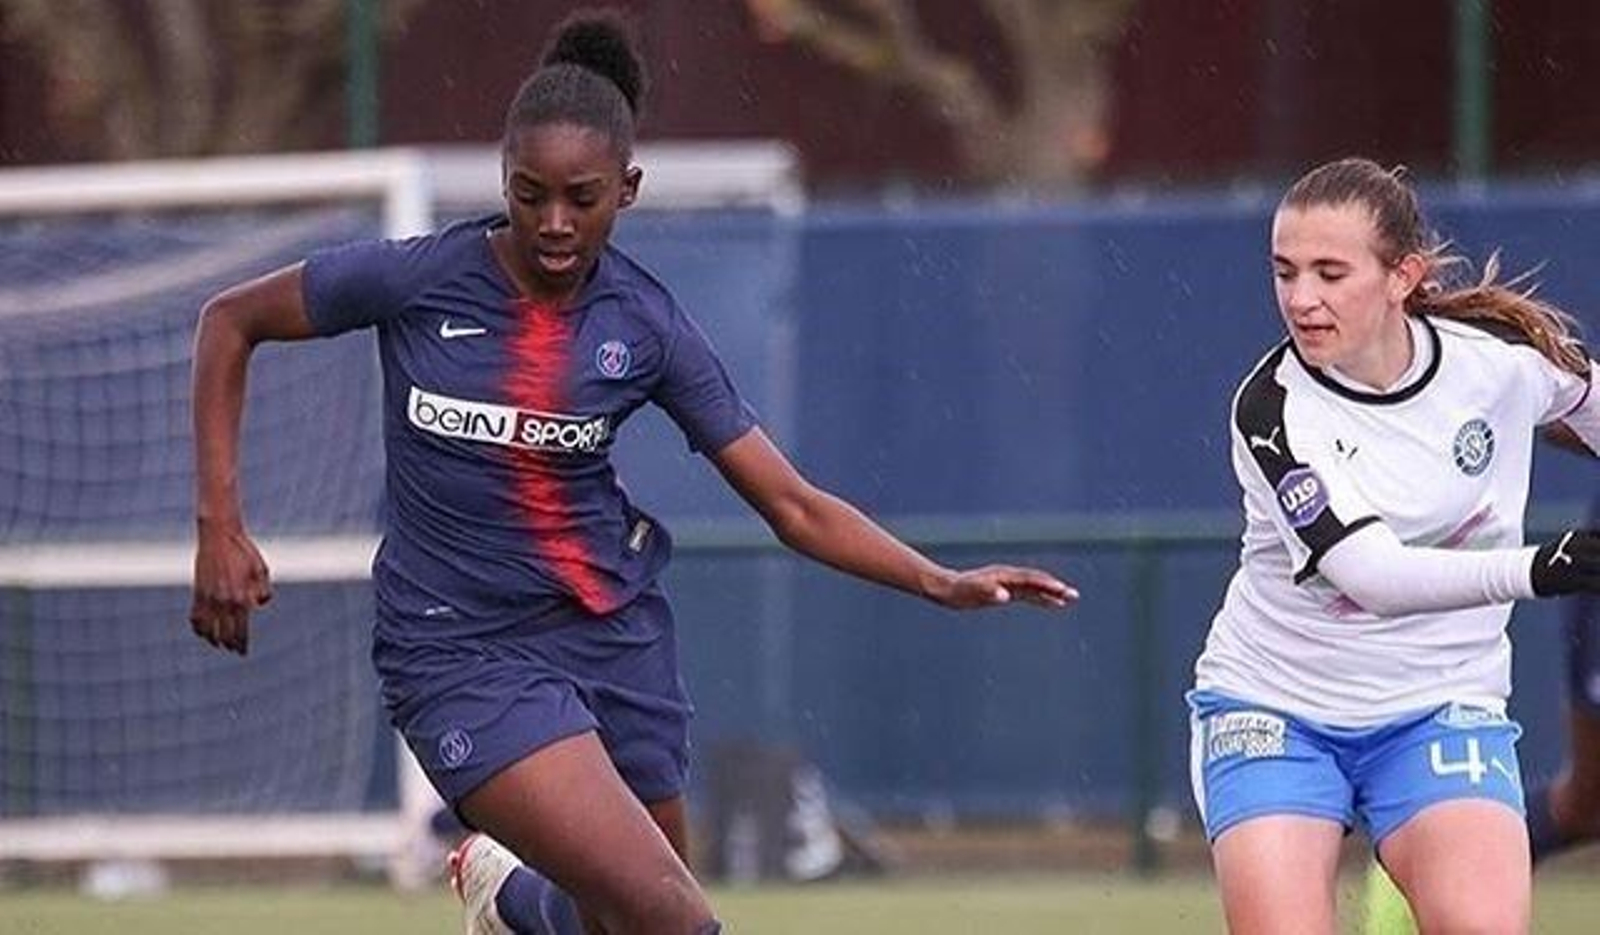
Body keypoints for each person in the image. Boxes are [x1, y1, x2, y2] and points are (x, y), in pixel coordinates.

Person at [187, 10, 1073, 935]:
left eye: (583, 196)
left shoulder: (643, 326)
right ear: (503, 181)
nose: (555, 223)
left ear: (630, 188)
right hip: (458, 652)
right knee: (674, 920)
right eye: (530, 195)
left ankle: (508, 901)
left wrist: (938, 579)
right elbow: (228, 321)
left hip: (613, 642)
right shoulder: (417, 279)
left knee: (620, 921)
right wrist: (220, 521)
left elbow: (793, 505)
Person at [1187, 155, 1600, 935]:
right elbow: (1369, 573)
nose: (1301, 299)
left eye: (1330, 273)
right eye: (1285, 272)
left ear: (1402, 275)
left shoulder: (1500, 361)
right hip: (1276, 706)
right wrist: (1538, 568)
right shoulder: (1273, 409)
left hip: (1439, 704)